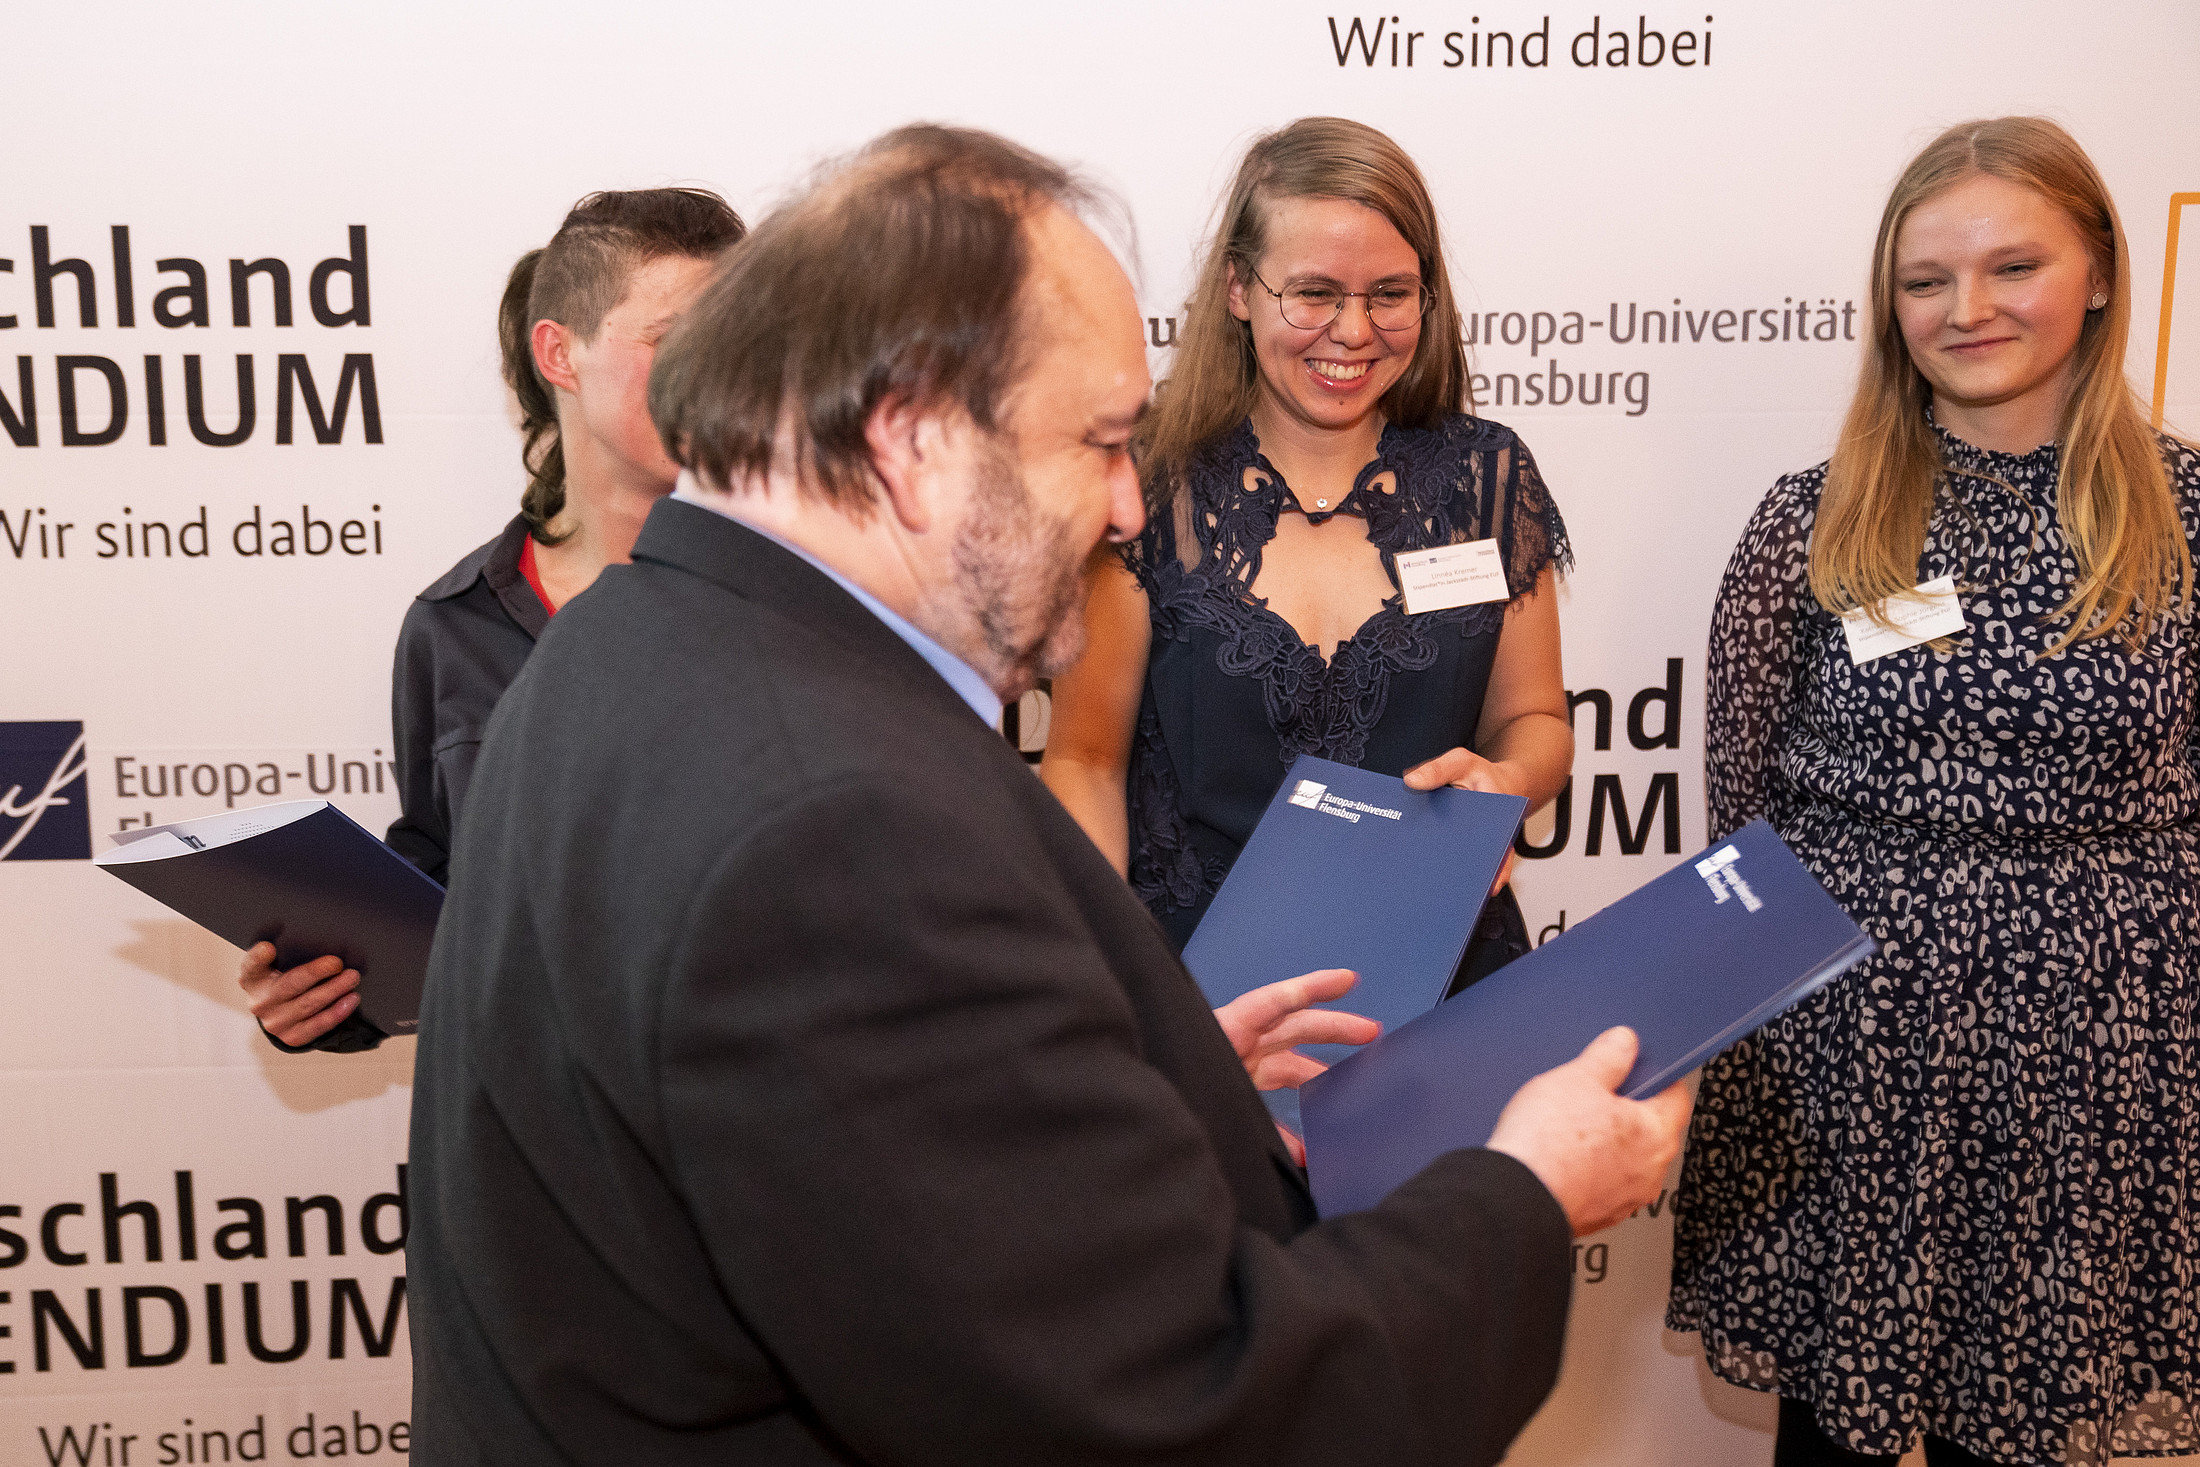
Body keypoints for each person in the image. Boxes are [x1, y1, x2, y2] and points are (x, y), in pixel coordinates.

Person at [405, 123, 1692, 1465]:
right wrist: (1528, 1189)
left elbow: (886, 1197)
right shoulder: (840, 832)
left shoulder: (623, 641)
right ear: (911, 441)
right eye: (1099, 442)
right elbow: (1195, 1409)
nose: (1130, 509)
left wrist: (1173, 1077)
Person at [1669, 117, 2200, 1467]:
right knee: (1833, 1437)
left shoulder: (2188, 517)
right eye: (1926, 279)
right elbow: (1738, 818)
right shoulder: (1812, 518)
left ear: (2098, 273)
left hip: (2094, 1056)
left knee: (2026, 1425)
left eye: (2013, 265)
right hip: (1847, 1051)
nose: (1966, 309)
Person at [1041, 117, 1572, 1004]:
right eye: (1314, 293)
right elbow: (1085, 763)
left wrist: (1506, 781)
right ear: (1239, 289)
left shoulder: (1487, 477)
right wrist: (1108, 985)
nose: (1353, 331)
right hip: (1202, 997)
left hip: (1441, 976)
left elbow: (1536, 720)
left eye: (1390, 293)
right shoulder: (1148, 487)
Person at [237, 187, 746, 1052]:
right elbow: (443, 893)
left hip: (743, 1102)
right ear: (559, 353)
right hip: (532, 1117)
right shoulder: (454, 623)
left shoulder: (795, 601)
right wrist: (324, 994)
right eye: (675, 340)